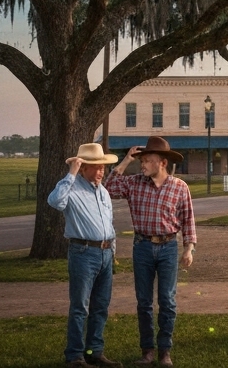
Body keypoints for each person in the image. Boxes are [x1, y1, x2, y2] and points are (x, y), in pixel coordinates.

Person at [107, 137, 196, 367]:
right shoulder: (134, 183)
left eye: (147, 160)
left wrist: (188, 248)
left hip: (168, 247)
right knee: (144, 302)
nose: (143, 165)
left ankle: (165, 351)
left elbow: (188, 219)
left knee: (167, 301)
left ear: (162, 163)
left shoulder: (179, 187)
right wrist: (126, 161)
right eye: (142, 160)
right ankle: (147, 351)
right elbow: (108, 187)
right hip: (142, 247)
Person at [48, 143, 122, 368]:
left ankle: (94, 352)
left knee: (101, 306)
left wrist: (112, 250)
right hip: (83, 252)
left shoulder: (103, 192)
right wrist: (71, 173)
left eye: (102, 167)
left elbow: (108, 222)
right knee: (80, 306)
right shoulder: (71, 189)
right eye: (96, 167)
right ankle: (75, 356)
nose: (101, 171)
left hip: (105, 253)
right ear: (83, 168)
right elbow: (54, 201)